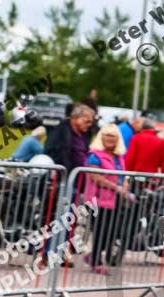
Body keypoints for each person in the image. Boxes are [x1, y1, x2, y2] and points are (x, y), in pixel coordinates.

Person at [43, 103, 95, 267]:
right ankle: (48, 253)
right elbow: (50, 151)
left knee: (69, 220)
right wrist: (61, 172)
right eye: (87, 120)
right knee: (58, 218)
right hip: (63, 181)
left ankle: (60, 252)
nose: (89, 124)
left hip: (76, 183)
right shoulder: (60, 131)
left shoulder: (83, 135)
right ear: (76, 117)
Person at [83, 123, 130, 275]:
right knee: (101, 231)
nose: (110, 139)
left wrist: (125, 186)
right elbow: (95, 176)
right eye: (107, 135)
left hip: (115, 200)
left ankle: (92, 256)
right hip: (98, 200)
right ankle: (96, 262)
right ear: (101, 137)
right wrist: (116, 187)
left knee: (113, 231)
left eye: (113, 136)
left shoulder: (119, 157)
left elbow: (122, 175)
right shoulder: (94, 155)